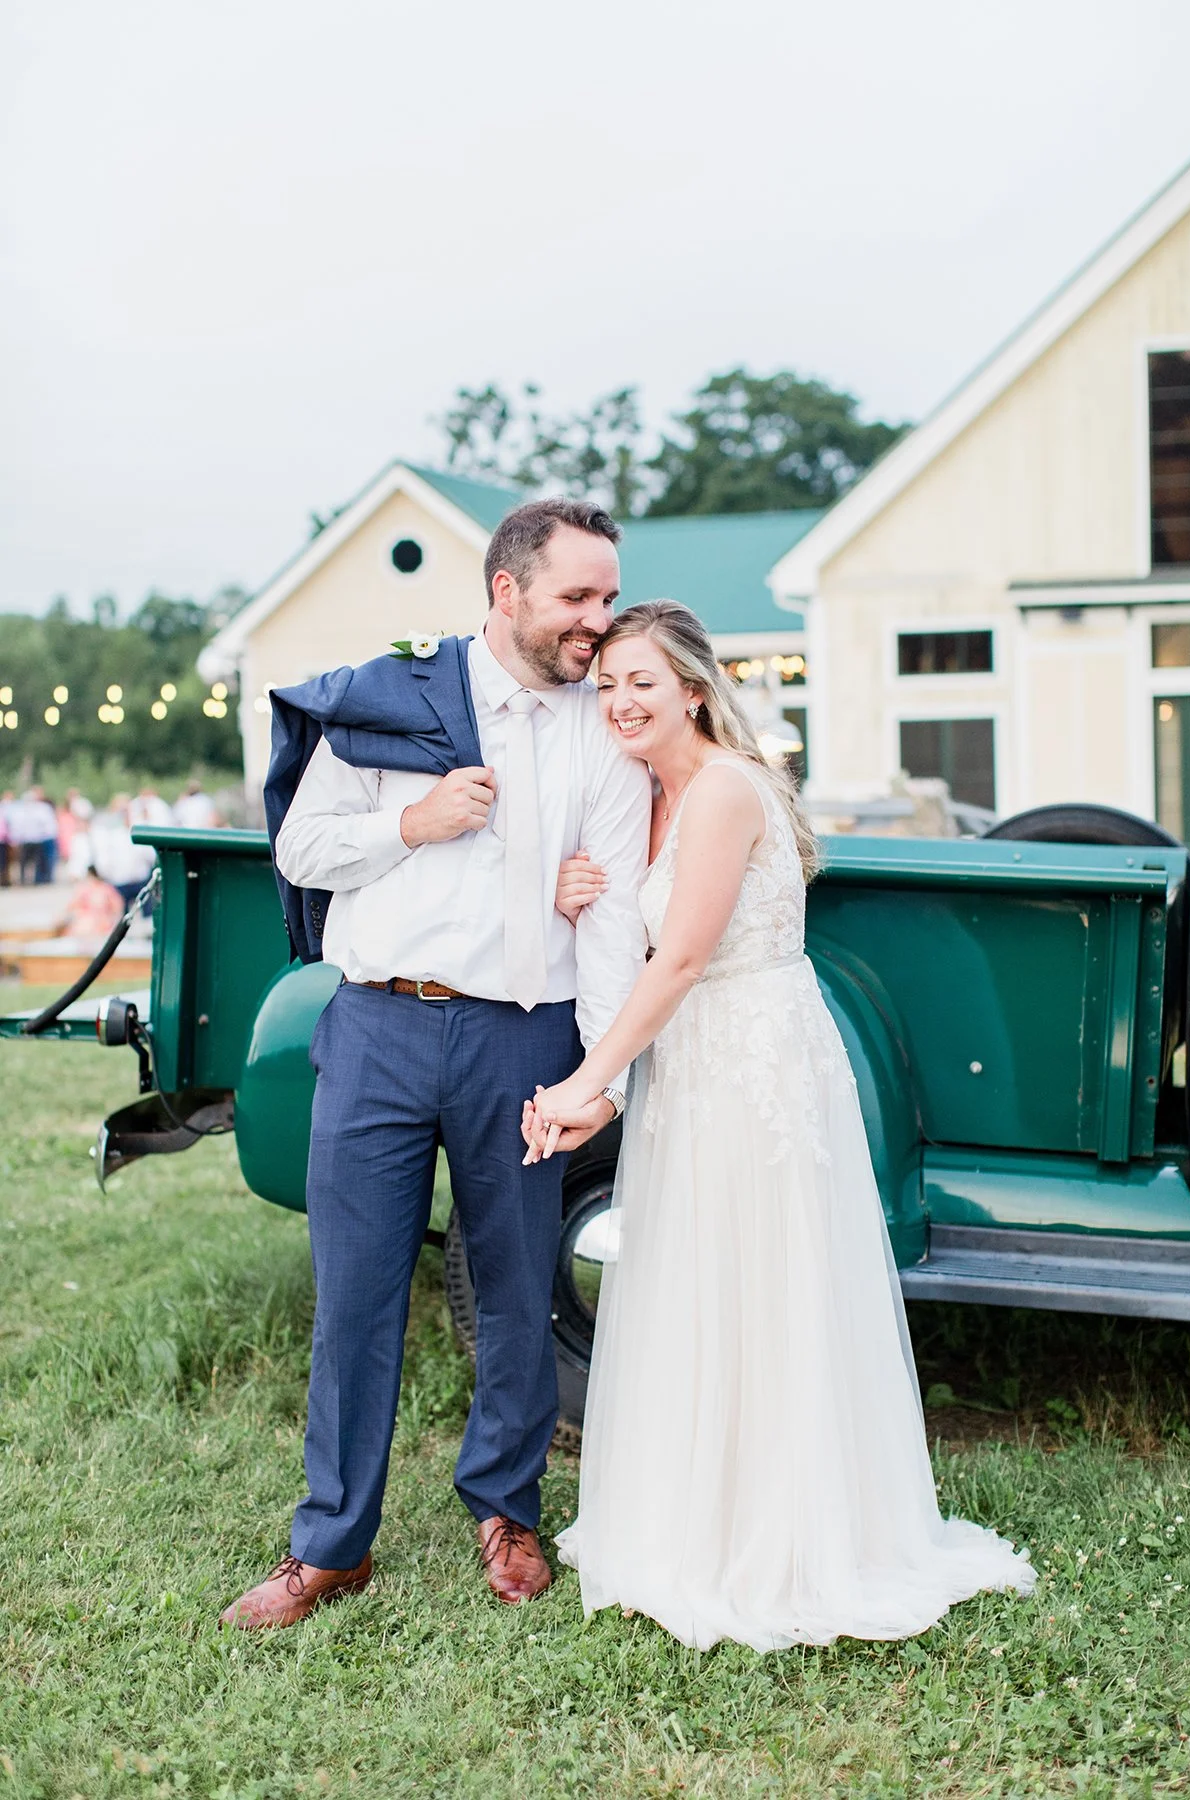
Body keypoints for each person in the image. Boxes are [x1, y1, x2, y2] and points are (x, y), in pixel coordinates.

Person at [523, 601, 1037, 1652]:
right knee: (701, 1280)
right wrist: (579, 887)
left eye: (643, 684)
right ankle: (696, 1517)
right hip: (699, 1060)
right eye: (608, 683)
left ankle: (778, 1539)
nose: (620, 702)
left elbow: (678, 959)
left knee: (764, 1282)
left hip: (749, 1058)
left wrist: (587, 1085)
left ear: (694, 694)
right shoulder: (649, 796)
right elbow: (642, 928)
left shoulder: (718, 792)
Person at [219, 497, 651, 1631]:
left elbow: (606, 910)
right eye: (577, 597)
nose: (597, 622)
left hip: (524, 1035)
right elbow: (303, 848)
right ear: (505, 592)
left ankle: (506, 1509)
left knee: (514, 1285)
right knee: (355, 1290)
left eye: (608, 597)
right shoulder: (388, 700)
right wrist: (414, 825)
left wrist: (596, 1067)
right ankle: (330, 1545)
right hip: (378, 1029)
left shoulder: (603, 725)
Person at [54, 866, 124, 947]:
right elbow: (71, 906)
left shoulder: (106, 889)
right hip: (86, 926)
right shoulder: (84, 889)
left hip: (100, 926)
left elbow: (118, 908)